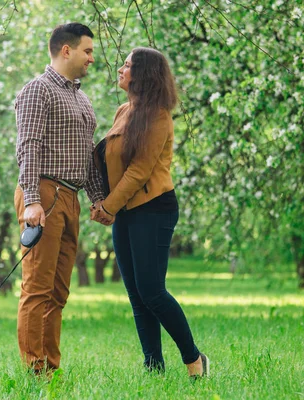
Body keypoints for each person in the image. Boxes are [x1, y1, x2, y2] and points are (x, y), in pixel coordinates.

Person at [91, 47, 208, 379]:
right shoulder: (123, 111)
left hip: (154, 209)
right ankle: (153, 366)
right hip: (125, 211)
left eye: (127, 66)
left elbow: (140, 171)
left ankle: (194, 360)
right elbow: (112, 165)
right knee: (137, 296)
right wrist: (102, 201)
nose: (120, 69)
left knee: (152, 290)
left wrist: (109, 207)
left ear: (142, 75)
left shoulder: (158, 116)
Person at [14, 22, 104, 375]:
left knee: (58, 292)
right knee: (37, 288)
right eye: (88, 51)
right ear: (66, 50)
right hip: (44, 193)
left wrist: (97, 198)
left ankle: (50, 368)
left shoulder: (81, 97)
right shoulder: (38, 90)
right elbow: (29, 146)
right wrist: (33, 199)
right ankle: (34, 371)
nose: (92, 59)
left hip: (71, 197)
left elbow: (88, 155)